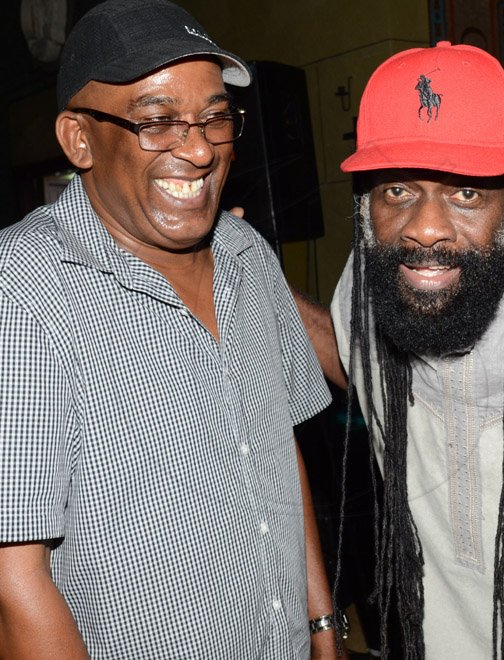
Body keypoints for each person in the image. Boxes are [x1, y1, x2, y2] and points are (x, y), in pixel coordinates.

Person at [0, 1, 344, 657]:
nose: (198, 149)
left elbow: (276, 450)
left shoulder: (248, 253)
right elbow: (15, 581)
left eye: (215, 118)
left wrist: (322, 625)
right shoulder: (22, 288)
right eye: (157, 122)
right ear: (79, 139)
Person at [295, 42, 504, 658]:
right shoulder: (371, 284)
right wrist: (228, 264)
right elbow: (347, 359)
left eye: (466, 193)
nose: (425, 226)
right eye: (398, 191)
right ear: (364, 205)